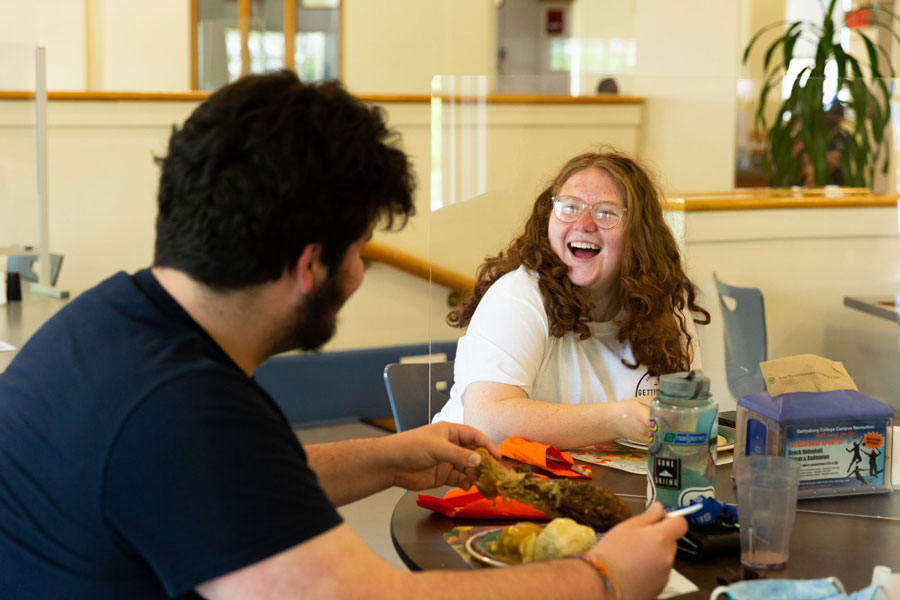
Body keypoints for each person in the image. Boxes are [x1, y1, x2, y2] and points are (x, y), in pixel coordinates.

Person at [0, 71, 687, 599]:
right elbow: (365, 594)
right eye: (358, 250)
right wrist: (603, 576)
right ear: (309, 265)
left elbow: (239, 481)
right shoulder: (181, 412)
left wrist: (388, 457)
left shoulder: (109, 327)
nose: (360, 273)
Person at [433, 150, 710, 449]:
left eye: (606, 212)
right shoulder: (518, 296)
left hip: (597, 486)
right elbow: (487, 422)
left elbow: (686, 420)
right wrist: (615, 420)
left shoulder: (665, 304)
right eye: (569, 207)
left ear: (639, 234)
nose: (584, 223)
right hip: (470, 479)